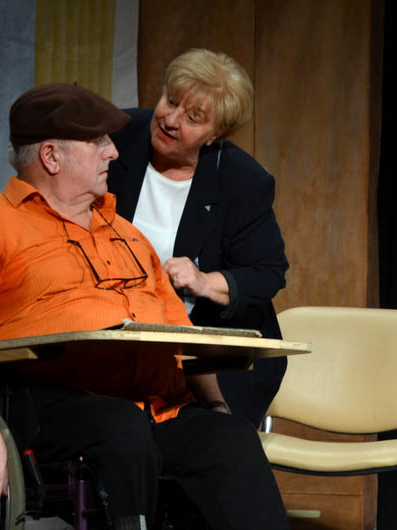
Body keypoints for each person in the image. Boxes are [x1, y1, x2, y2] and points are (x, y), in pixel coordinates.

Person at [0, 83, 289, 530]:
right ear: (51, 157)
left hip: (155, 408)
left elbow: (179, 337)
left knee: (230, 438)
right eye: (98, 143)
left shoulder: (127, 236)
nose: (114, 152)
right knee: (120, 429)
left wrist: (216, 405)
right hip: (52, 408)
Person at [107, 49, 289, 428]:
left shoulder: (242, 181)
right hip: (117, 338)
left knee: (205, 440)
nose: (171, 120)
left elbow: (267, 273)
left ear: (216, 134)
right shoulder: (117, 138)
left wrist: (204, 281)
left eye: (193, 118)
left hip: (210, 355)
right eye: (171, 101)